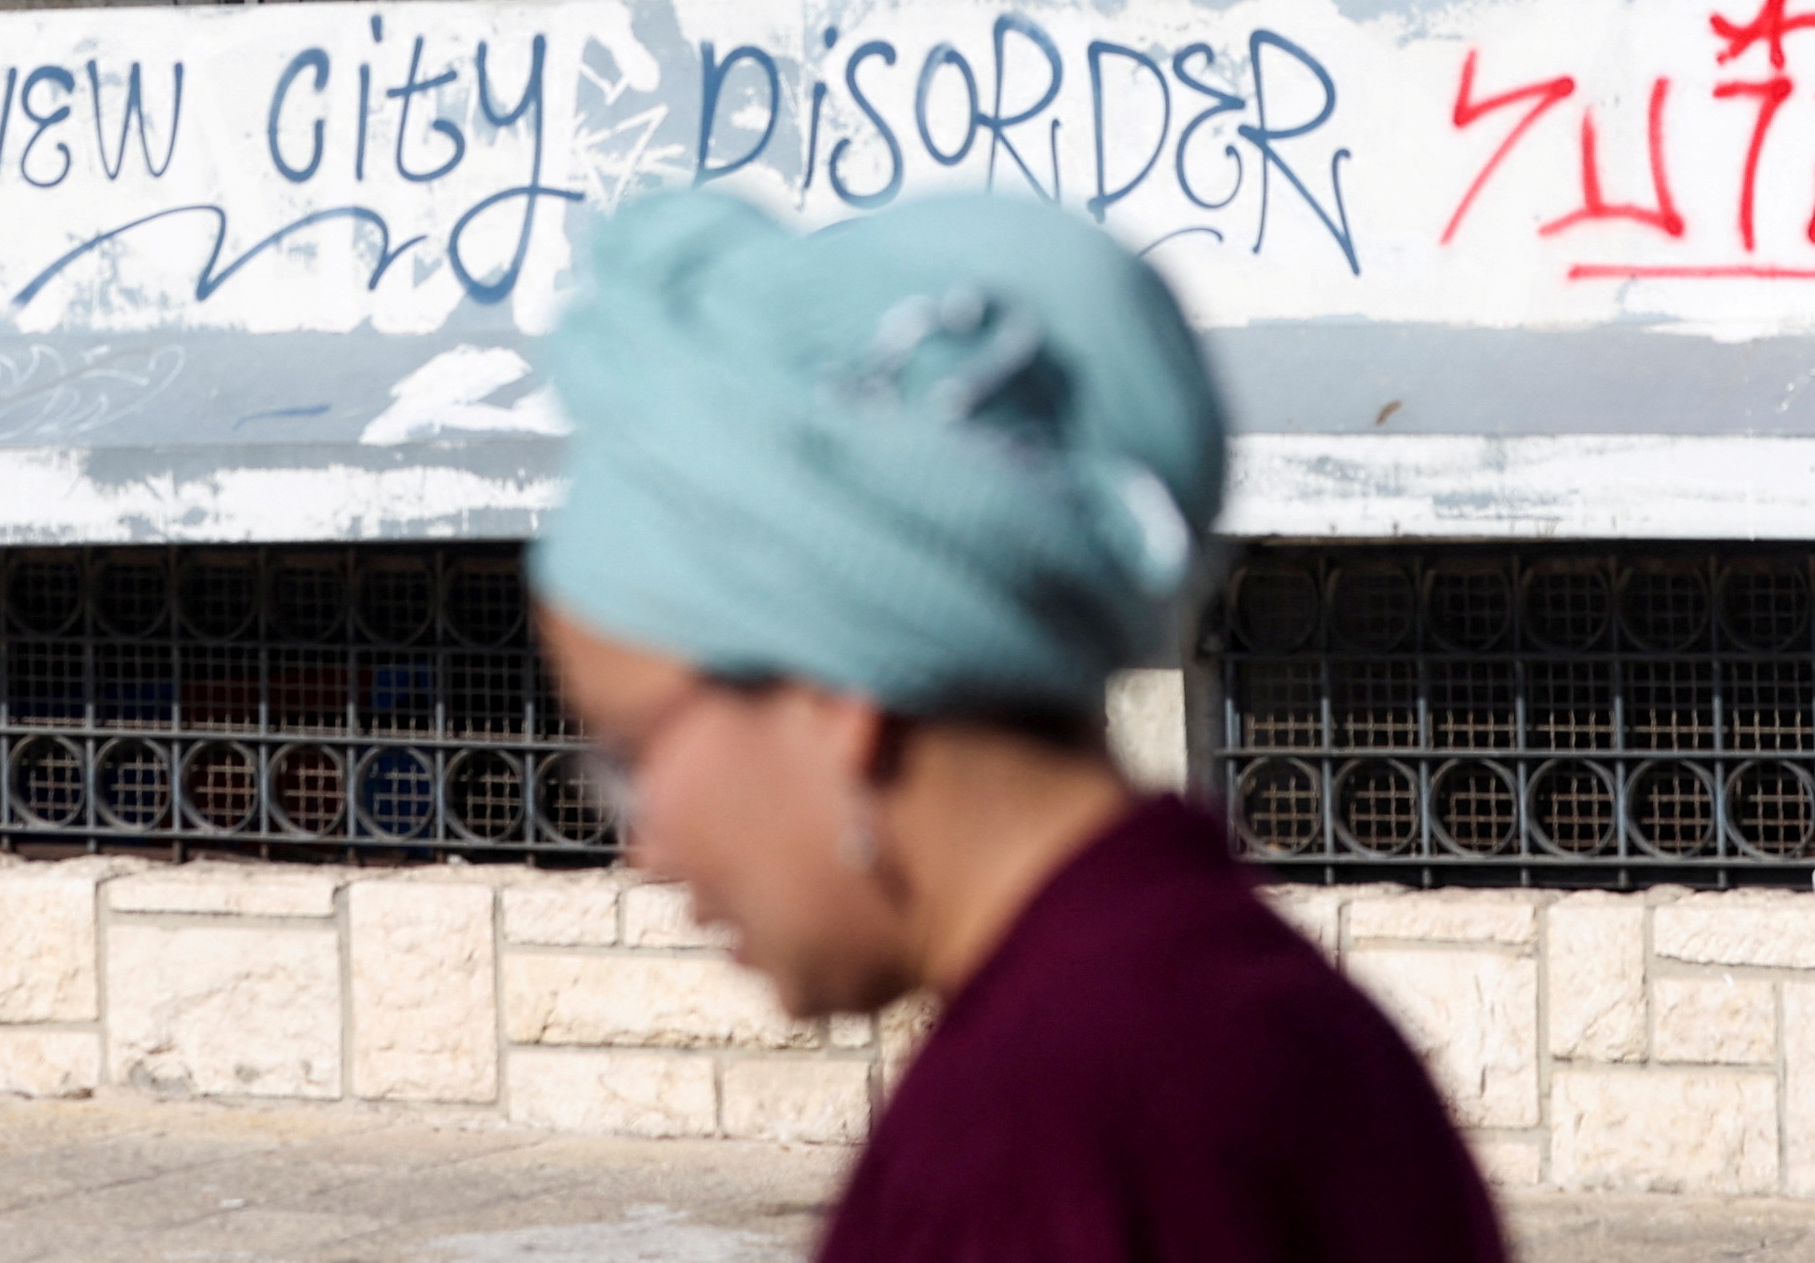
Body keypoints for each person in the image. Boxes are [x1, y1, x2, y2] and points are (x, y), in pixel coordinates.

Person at [530, 188, 1504, 1263]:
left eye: (629, 752)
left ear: (831, 699)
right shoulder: (1274, 1022)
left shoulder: (1034, 1136)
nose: (643, 843)